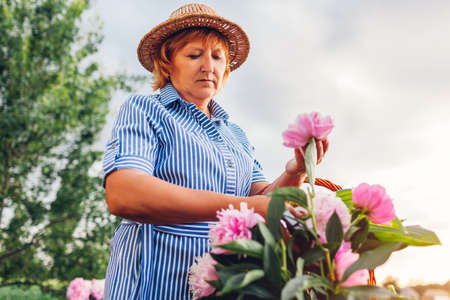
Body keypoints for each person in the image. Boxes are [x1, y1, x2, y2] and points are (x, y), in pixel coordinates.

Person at [102, 3, 328, 300]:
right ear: (167, 62)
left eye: (218, 56)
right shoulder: (146, 110)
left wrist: (294, 171)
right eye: (194, 55)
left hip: (225, 289)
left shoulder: (235, 134)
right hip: (153, 287)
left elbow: (264, 202)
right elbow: (124, 194)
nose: (209, 66)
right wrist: (240, 206)